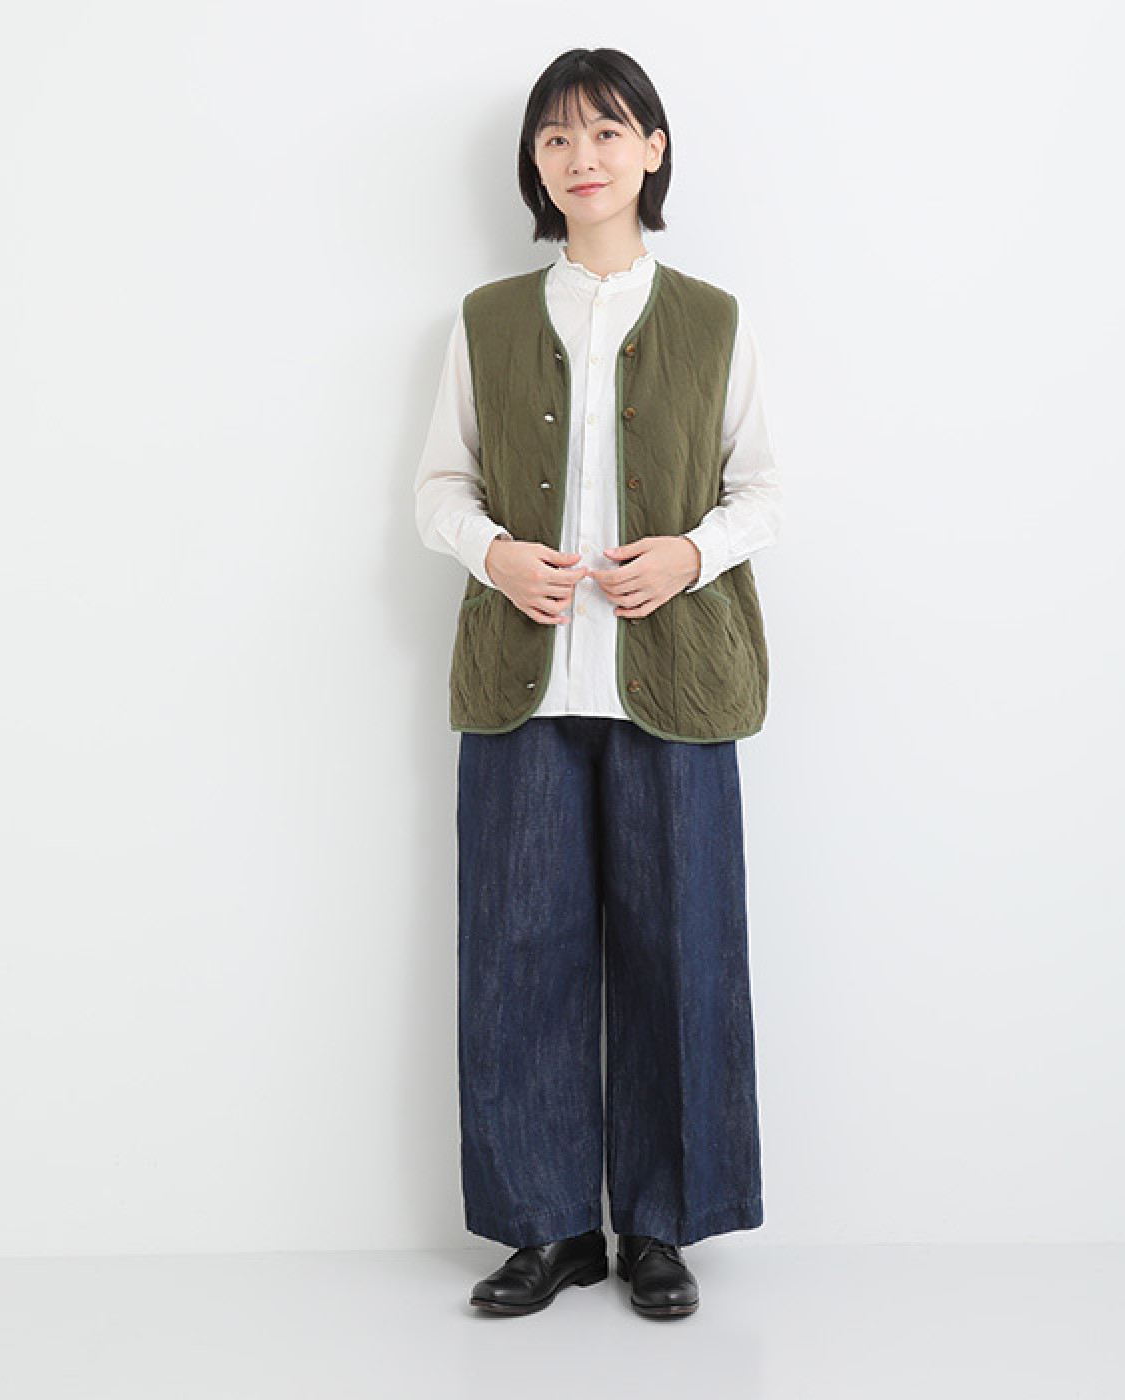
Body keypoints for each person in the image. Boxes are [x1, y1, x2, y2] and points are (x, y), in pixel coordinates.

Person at [413, 46, 783, 1319]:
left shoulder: (714, 319)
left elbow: (764, 492)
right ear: (535, 162)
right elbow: (439, 487)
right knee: (518, 953)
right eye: (558, 138)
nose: (584, 158)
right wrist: (495, 552)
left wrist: (689, 554)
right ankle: (549, 1227)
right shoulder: (486, 320)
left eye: (609, 133)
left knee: (683, 948)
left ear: (653, 150)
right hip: (521, 684)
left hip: (675, 682)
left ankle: (663, 1227)